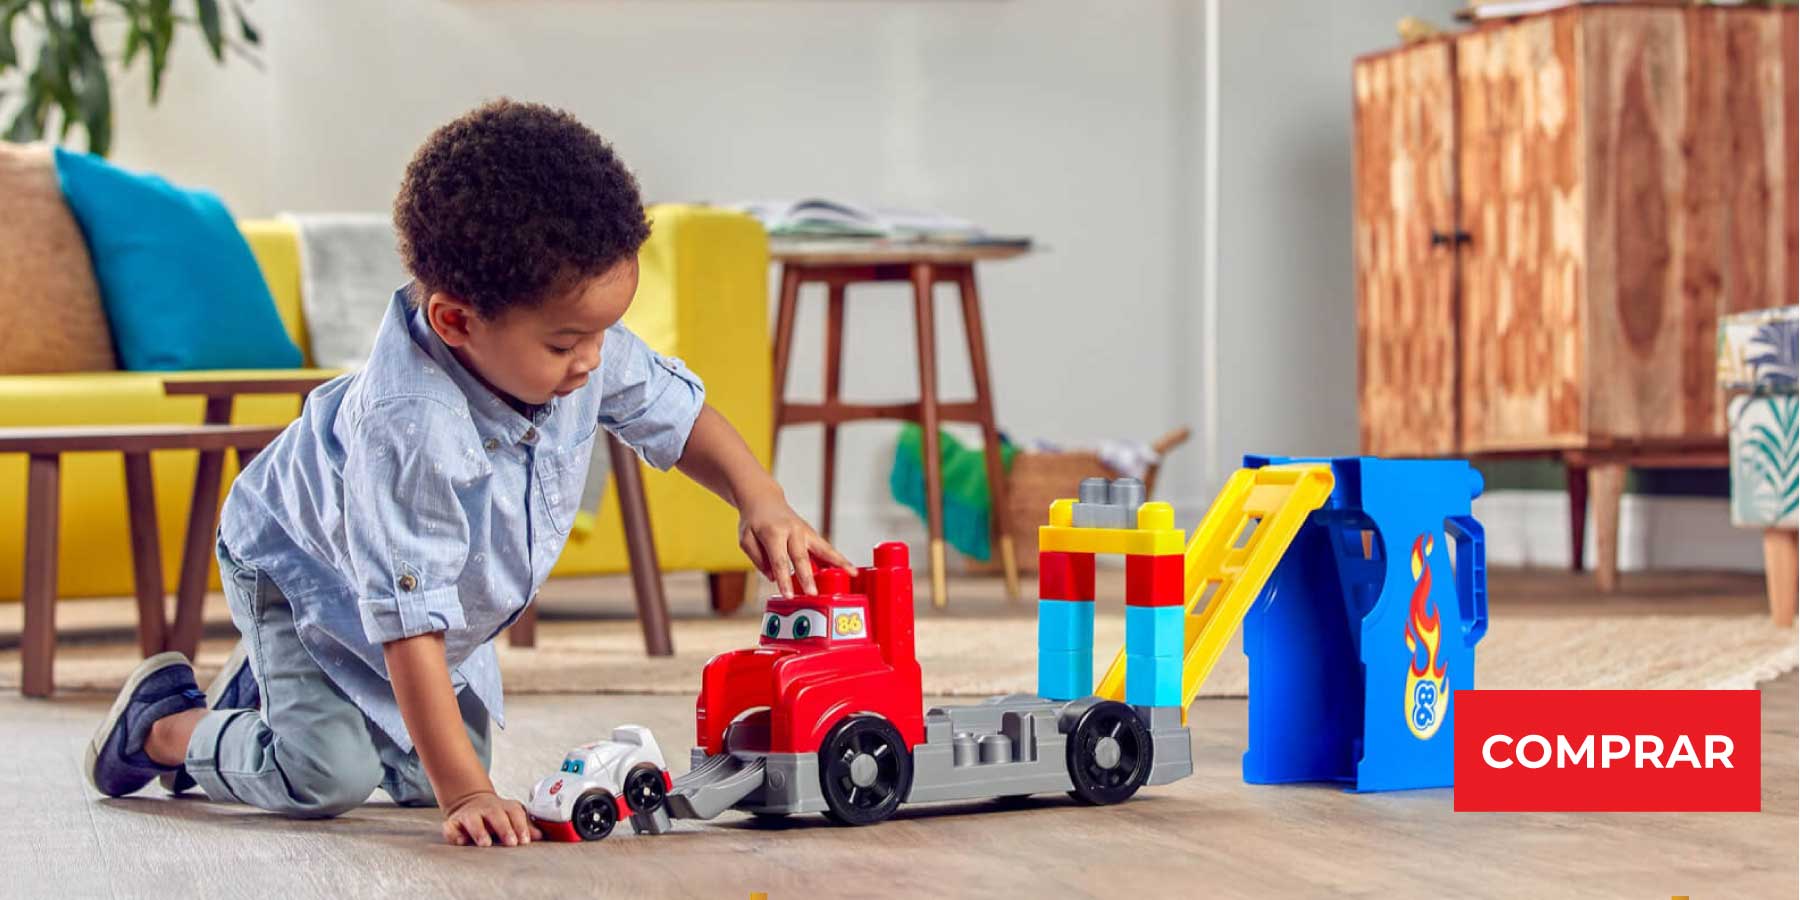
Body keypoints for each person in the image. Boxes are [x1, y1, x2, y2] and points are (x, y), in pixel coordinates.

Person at [86, 99, 847, 848]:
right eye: (565, 343)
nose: (592, 360)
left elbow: (681, 421)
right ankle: (167, 725)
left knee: (424, 777)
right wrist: (471, 794)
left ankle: (271, 696)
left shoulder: (580, 345)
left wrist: (762, 500)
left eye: (604, 332)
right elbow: (409, 623)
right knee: (327, 778)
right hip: (302, 568)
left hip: (430, 596)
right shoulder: (413, 428)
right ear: (455, 322)